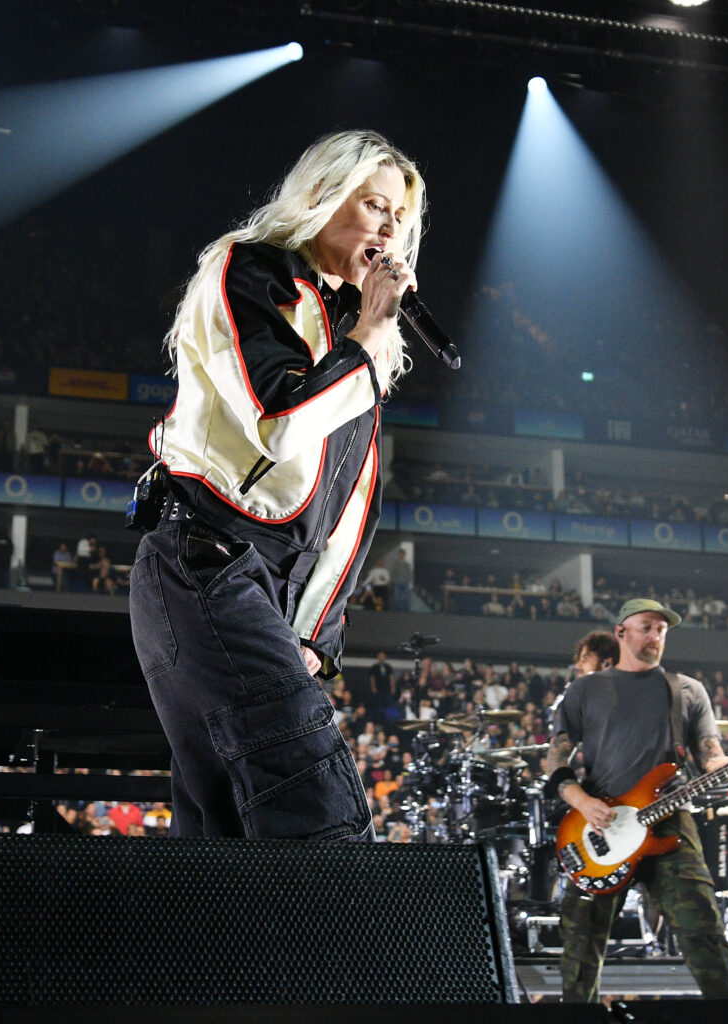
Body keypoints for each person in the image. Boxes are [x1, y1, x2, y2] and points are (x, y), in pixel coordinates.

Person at [129, 129, 425, 842]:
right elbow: (279, 421)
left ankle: (221, 957)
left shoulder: (347, 335)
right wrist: (371, 331)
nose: (390, 230)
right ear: (323, 197)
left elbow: (350, 513)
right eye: (376, 207)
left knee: (225, 822)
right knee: (312, 795)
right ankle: (342, 956)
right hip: (205, 558)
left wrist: (315, 638)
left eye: (400, 219)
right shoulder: (249, 272)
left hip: (269, 587)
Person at [545, 598, 728, 1002]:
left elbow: (710, 757)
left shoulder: (686, 690)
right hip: (601, 822)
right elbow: (556, 756)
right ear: (621, 633)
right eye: (645, 627)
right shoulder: (585, 689)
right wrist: (580, 801)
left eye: (661, 630)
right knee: (580, 948)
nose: (654, 636)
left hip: (669, 820)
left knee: (704, 931)